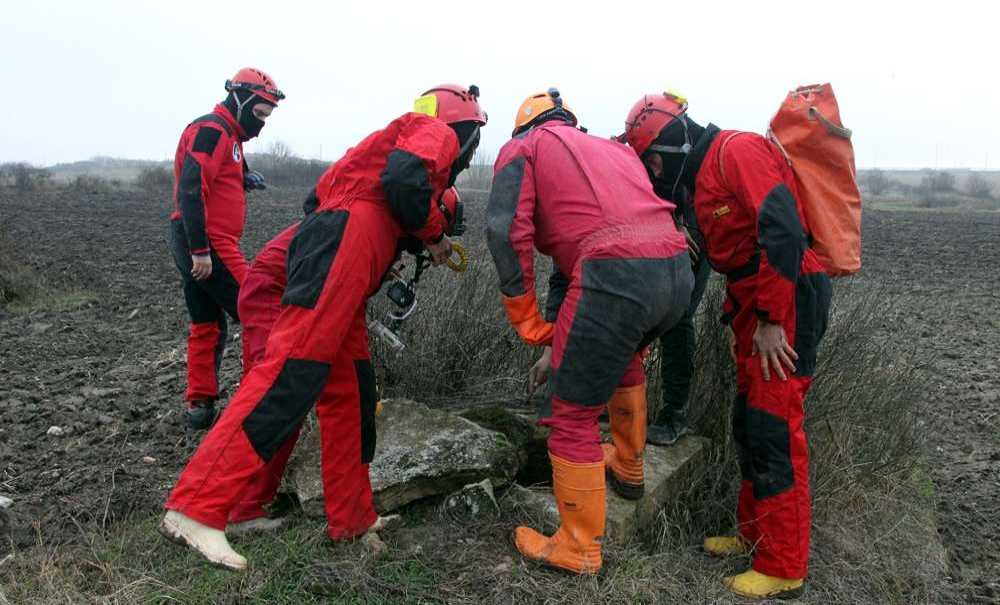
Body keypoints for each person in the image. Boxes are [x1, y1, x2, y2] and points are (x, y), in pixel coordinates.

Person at [159, 85, 487, 571]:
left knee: (352, 393)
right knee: (291, 372)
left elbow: (319, 198)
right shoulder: (433, 130)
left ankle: (352, 519)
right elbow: (402, 179)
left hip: (345, 251)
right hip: (344, 244)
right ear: (467, 131)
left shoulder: (380, 162)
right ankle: (196, 508)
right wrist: (434, 235)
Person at [620, 91, 831, 599]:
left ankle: (784, 565)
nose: (652, 173)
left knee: (774, 427)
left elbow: (781, 230)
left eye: (650, 161)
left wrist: (771, 319)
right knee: (749, 421)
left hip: (785, 300)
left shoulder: (735, 151)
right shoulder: (703, 172)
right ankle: (754, 535)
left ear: (668, 147)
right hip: (754, 303)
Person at [487, 89, 693, 574]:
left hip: (615, 273)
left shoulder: (527, 146)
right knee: (625, 358)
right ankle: (628, 465)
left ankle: (578, 547)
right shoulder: (611, 148)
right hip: (675, 268)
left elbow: (505, 230)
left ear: (525, 126)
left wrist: (529, 321)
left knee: (572, 414)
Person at [225, 188, 461, 534]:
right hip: (277, 289)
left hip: (330, 298)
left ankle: (352, 518)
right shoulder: (373, 220)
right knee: (279, 397)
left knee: (354, 400)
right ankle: (239, 509)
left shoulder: (386, 227)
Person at [169, 67, 283, 430]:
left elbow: (217, 174)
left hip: (195, 238)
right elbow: (190, 188)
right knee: (258, 310)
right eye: (260, 114)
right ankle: (258, 401)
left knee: (206, 323)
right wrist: (200, 249)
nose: (261, 124)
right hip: (208, 242)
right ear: (241, 100)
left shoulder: (229, 136)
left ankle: (199, 408)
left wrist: (242, 176)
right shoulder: (211, 131)